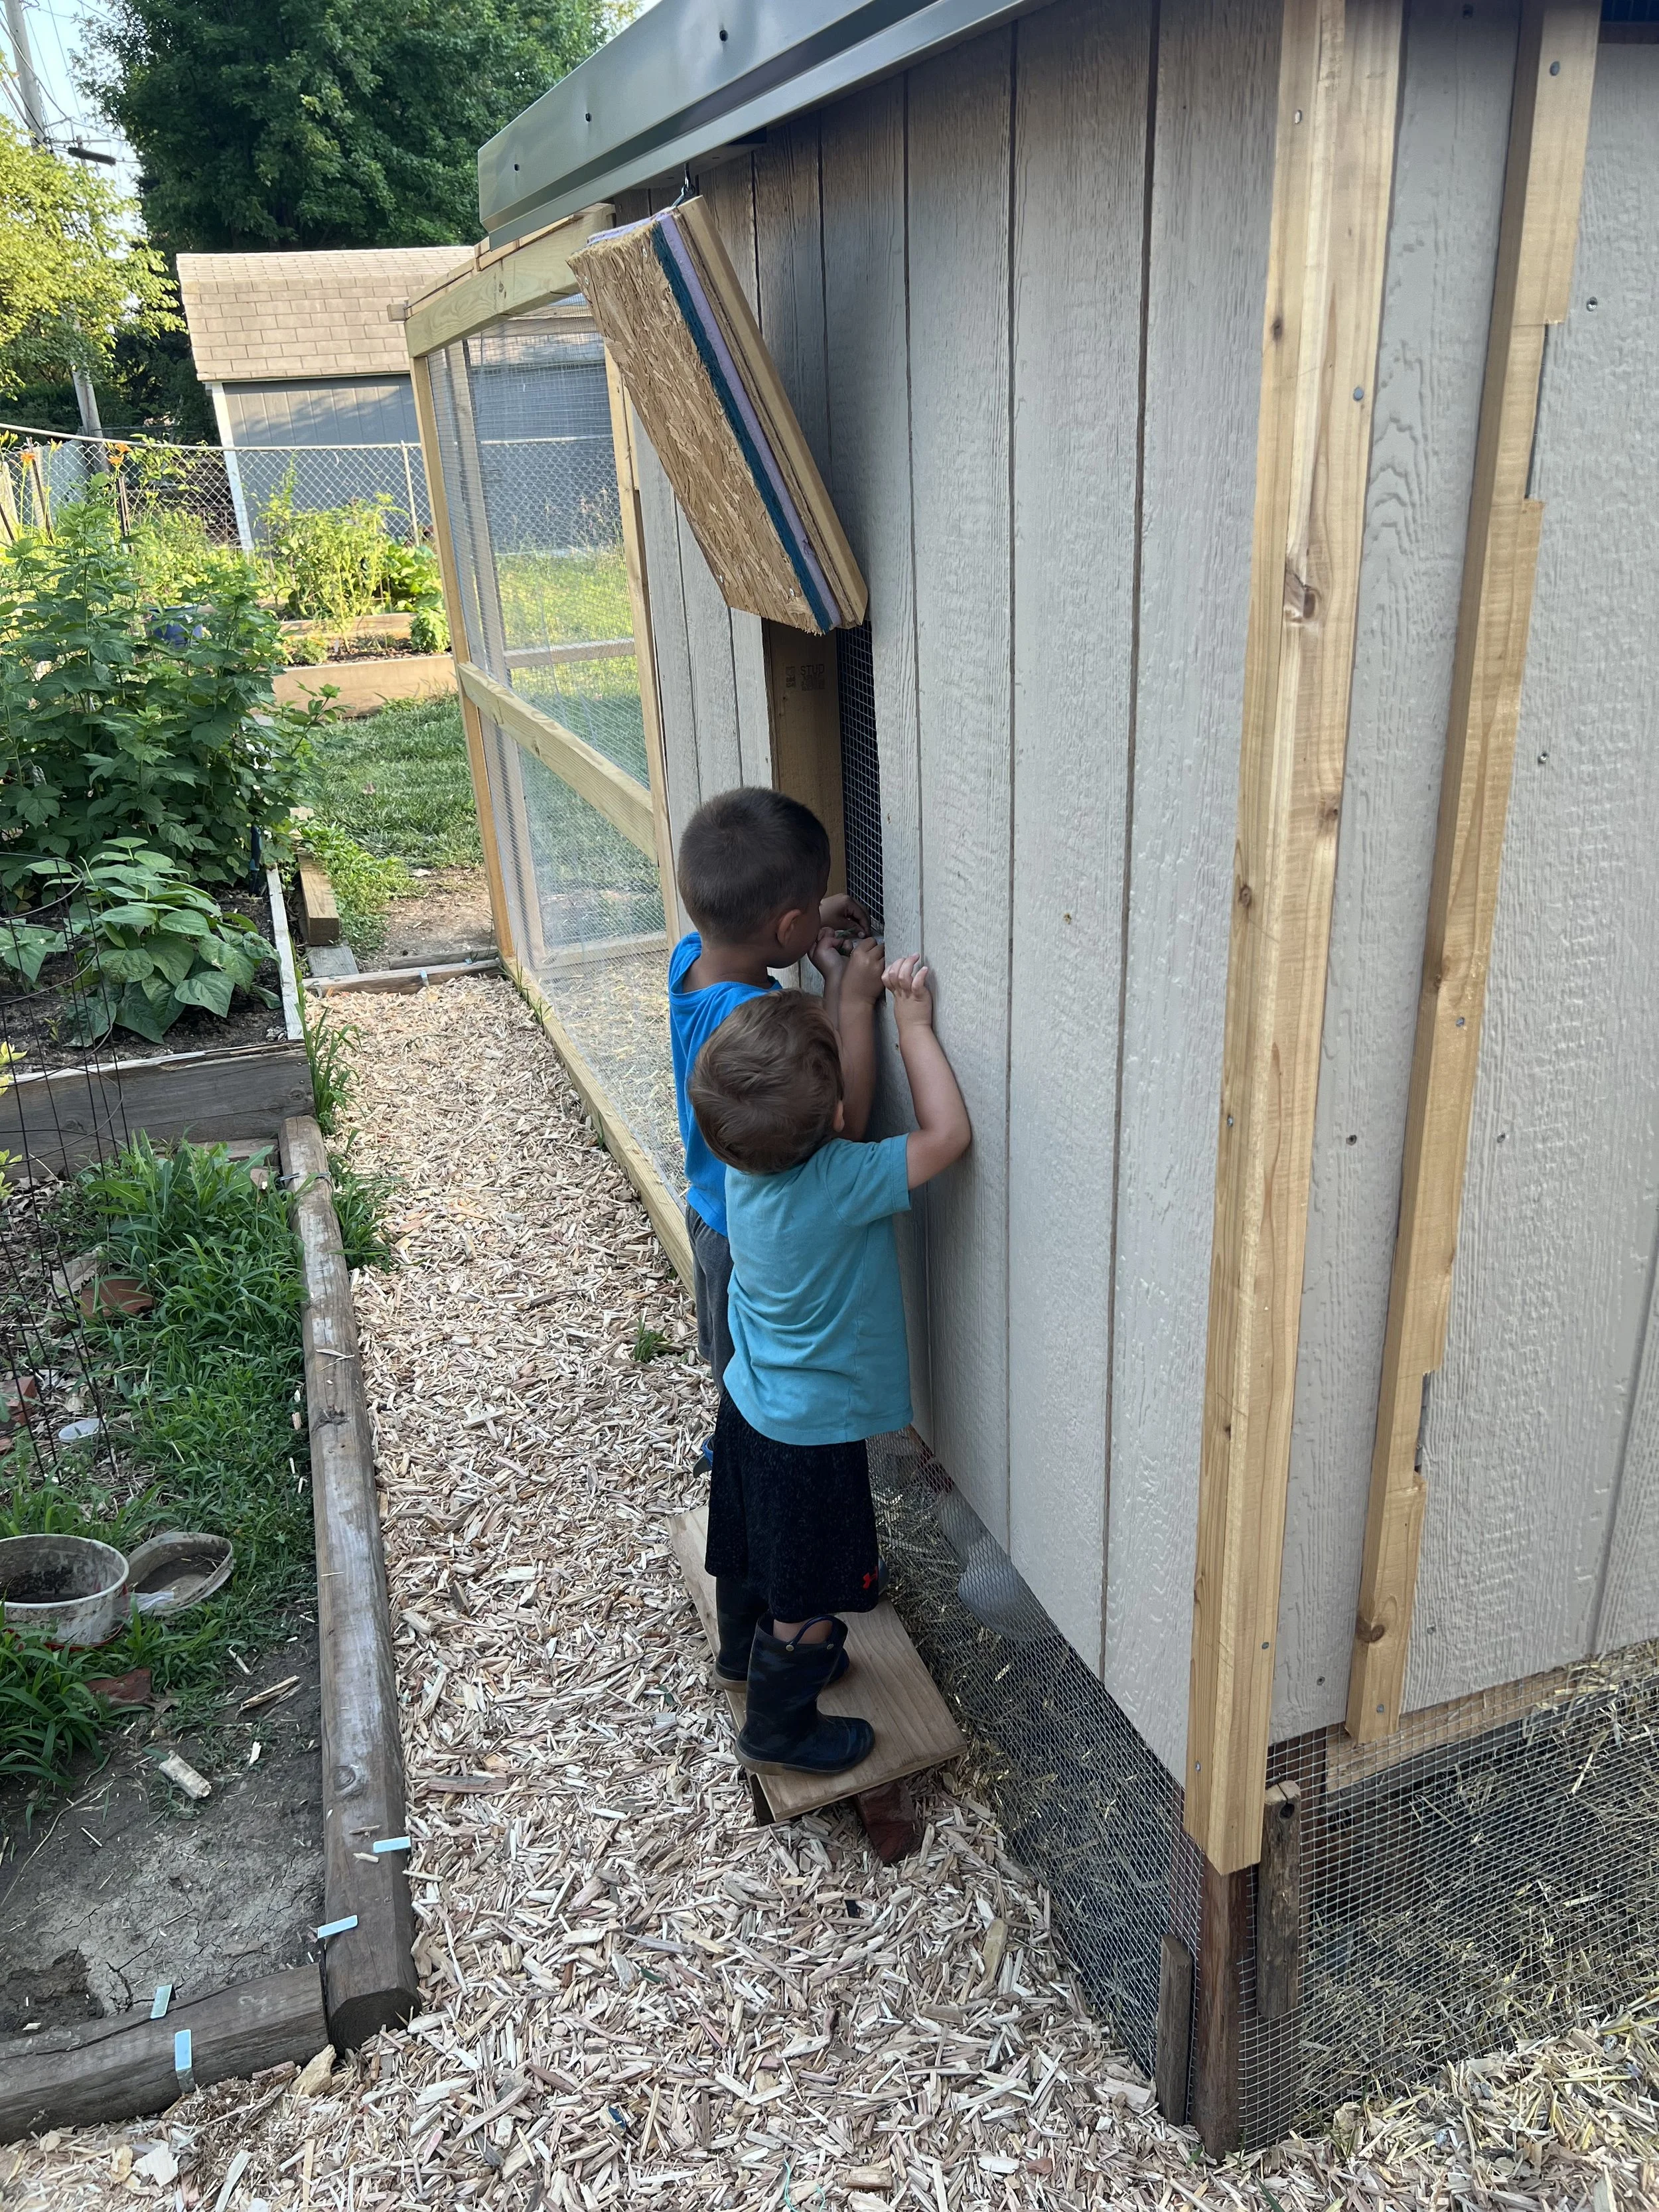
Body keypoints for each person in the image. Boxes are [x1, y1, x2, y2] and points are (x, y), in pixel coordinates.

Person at [689, 956, 972, 1775]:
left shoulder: (743, 1164)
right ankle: (779, 1730)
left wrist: (848, 997)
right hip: (809, 1439)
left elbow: (818, 1118)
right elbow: (947, 1138)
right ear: (839, 1114)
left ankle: (743, 1653)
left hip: (748, 1403)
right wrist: (912, 1027)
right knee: (808, 1590)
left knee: (750, 1543)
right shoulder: (843, 1177)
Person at [668, 788, 880, 1389]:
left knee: (729, 1358)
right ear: (788, 927)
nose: (819, 914)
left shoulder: (692, 958)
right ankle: (740, 1448)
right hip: (752, 1234)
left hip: (709, 1209)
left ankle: (731, 1434)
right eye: (810, 910)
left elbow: (748, 932)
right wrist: (852, 996)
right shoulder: (758, 1019)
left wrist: (808, 910)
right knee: (756, 1379)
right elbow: (844, 1115)